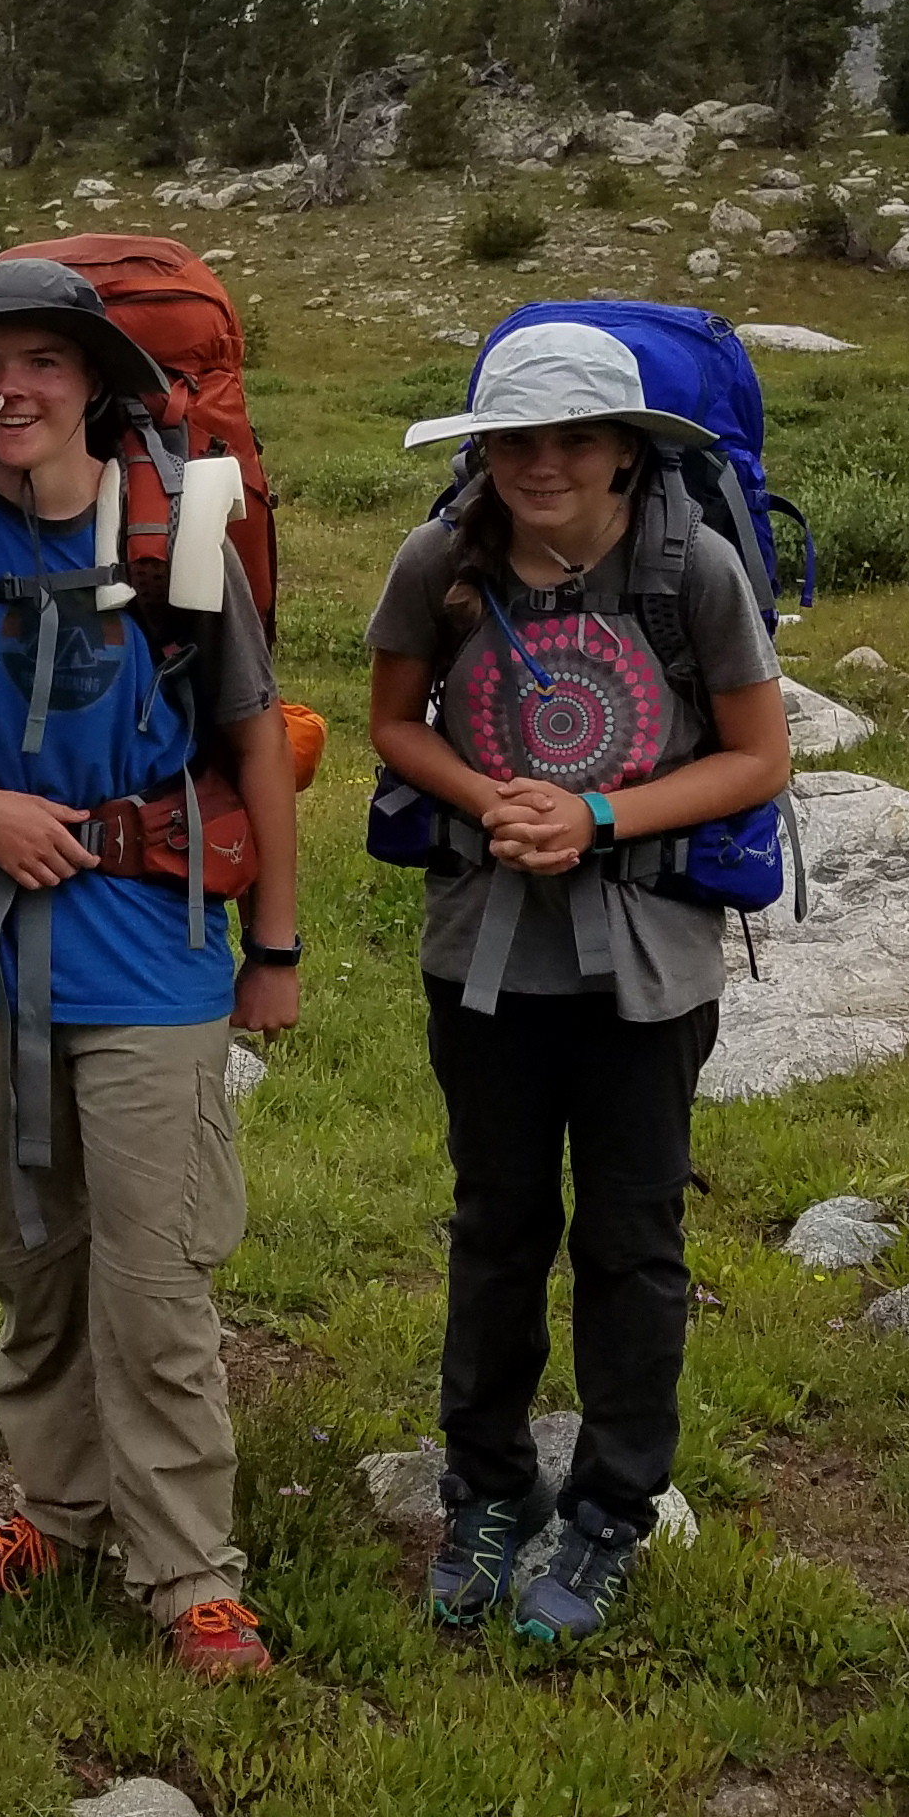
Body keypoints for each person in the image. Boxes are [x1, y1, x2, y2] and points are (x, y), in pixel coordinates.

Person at [0, 257, 302, 1681]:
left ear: (95, 382)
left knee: (152, 1278)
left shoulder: (182, 533)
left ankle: (189, 1574)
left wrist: (275, 946)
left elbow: (254, 750)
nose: (7, 390)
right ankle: (61, 1513)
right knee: (26, 1250)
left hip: (156, 948)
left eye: (42, 362)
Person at [364, 324, 792, 1646]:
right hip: (483, 955)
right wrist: (496, 797)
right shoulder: (440, 559)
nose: (543, 465)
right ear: (482, 450)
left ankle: (611, 1506)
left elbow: (757, 756)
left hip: (649, 962)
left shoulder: (693, 571)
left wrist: (597, 818)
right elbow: (391, 721)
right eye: (515, 441)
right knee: (496, 1224)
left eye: (573, 440)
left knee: (632, 1235)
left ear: (623, 450)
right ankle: (486, 1488)